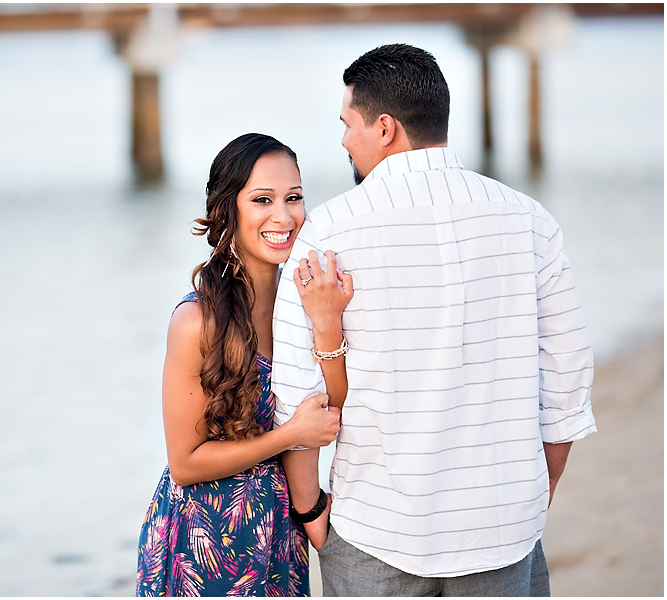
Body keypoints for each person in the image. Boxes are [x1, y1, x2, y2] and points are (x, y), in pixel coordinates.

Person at [272, 44, 597, 596]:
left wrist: (310, 512)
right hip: (503, 525)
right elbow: (567, 377)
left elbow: (298, 396)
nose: (343, 140)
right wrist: (537, 489)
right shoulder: (530, 222)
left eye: (348, 124)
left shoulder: (328, 233)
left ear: (384, 129)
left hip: (376, 526)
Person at [136, 133, 353, 597]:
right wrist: (289, 436)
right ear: (227, 210)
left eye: (293, 198)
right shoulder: (197, 321)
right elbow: (185, 463)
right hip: (202, 542)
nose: (283, 215)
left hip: (277, 535)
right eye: (262, 199)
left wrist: (328, 322)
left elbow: (331, 407)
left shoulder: (305, 303)